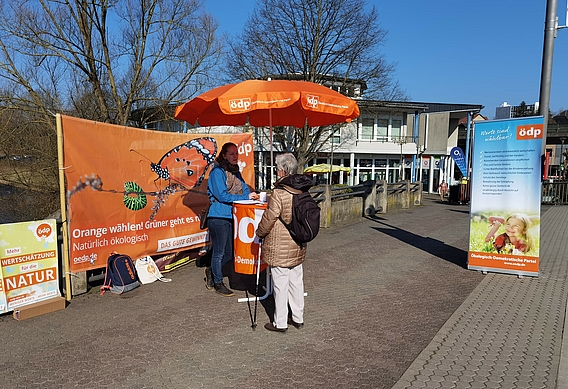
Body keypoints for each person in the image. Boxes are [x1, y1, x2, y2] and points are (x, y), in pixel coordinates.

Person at [256, 153, 312, 332]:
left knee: (280, 284)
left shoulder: (280, 192)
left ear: (281, 170)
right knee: (296, 280)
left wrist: (259, 233)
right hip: (298, 242)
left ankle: (280, 323)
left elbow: (269, 218)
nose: (275, 169)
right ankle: (298, 317)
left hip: (280, 245)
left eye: (275, 167)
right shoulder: (302, 188)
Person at [205, 142, 259, 296]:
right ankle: (218, 282)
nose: (235, 156)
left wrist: (252, 196)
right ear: (224, 155)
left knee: (229, 253)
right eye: (231, 154)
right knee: (220, 252)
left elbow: (245, 189)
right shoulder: (217, 172)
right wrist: (245, 197)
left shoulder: (236, 172)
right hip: (218, 216)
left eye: (236, 153)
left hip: (232, 216)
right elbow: (222, 195)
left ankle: (212, 270)